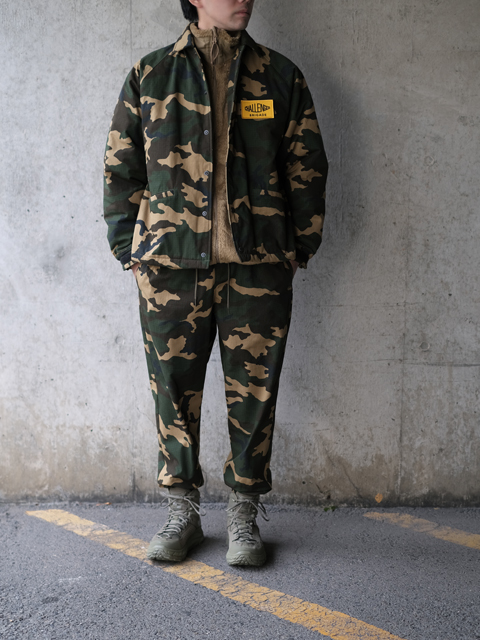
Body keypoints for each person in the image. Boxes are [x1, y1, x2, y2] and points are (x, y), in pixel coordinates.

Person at [103, 0, 328, 567]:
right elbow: (122, 167)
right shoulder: (152, 74)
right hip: (170, 265)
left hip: (258, 264)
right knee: (172, 390)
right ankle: (182, 511)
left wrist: (300, 245)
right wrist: (129, 249)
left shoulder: (280, 76)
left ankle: (243, 515)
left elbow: (306, 164)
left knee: (255, 394)